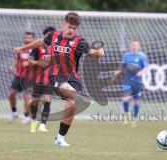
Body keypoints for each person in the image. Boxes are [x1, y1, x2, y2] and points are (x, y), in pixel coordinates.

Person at [13, 12, 104, 146]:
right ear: (64, 23)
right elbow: (40, 42)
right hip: (56, 75)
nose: (71, 30)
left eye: (74, 28)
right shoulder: (53, 35)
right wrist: (22, 48)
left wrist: (99, 52)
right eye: (69, 27)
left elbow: (92, 53)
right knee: (69, 92)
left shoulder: (79, 41)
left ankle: (60, 138)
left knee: (71, 105)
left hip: (73, 77)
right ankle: (80, 97)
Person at [111, 38, 148, 126]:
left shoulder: (142, 56)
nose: (134, 46)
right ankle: (126, 117)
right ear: (130, 46)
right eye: (133, 45)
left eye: (136, 45)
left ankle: (135, 119)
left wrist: (141, 72)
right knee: (125, 99)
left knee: (136, 101)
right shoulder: (126, 55)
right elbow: (122, 67)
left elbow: (146, 68)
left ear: (139, 46)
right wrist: (115, 75)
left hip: (137, 82)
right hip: (127, 81)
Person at [28, 26, 56, 133]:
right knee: (35, 101)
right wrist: (38, 62)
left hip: (50, 77)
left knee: (47, 99)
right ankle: (34, 119)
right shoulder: (38, 46)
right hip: (38, 78)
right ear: (45, 35)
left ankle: (43, 125)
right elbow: (30, 60)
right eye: (48, 35)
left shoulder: (57, 47)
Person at [8, 32, 35, 124]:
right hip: (19, 75)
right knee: (11, 94)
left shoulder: (35, 49)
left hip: (29, 77)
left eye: (29, 38)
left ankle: (26, 115)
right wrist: (12, 66)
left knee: (26, 97)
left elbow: (39, 61)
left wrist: (28, 63)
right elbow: (18, 60)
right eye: (26, 37)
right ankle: (14, 112)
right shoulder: (22, 48)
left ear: (33, 39)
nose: (27, 39)